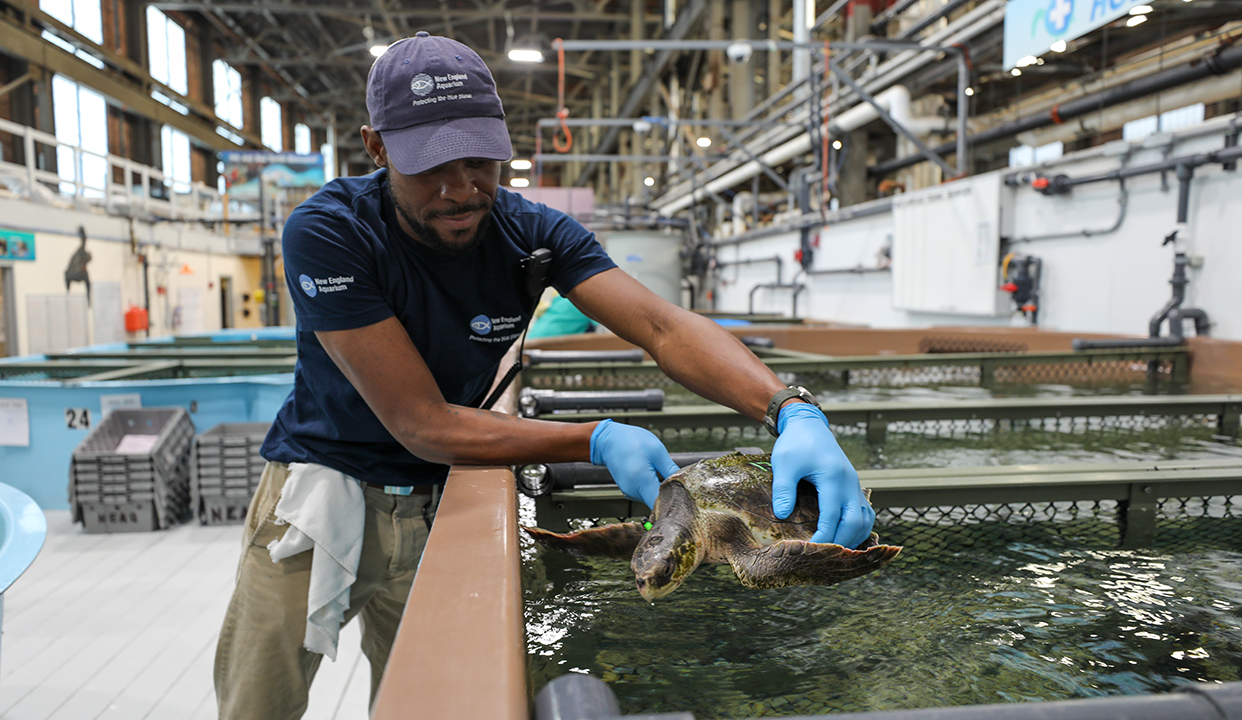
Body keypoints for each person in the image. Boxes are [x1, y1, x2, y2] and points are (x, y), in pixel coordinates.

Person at [213, 31, 874, 720]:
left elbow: (662, 327)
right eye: (431, 166)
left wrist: (792, 409)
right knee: (258, 699)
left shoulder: (533, 234)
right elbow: (422, 423)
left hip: (443, 504)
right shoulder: (332, 232)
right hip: (322, 489)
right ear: (375, 147)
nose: (461, 188)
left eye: (479, 160)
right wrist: (594, 436)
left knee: (428, 700)